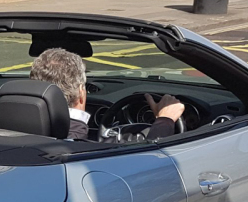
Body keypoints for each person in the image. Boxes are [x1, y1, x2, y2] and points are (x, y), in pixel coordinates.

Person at [29, 48, 184, 141]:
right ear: (81, 93)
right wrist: (165, 120)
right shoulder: (76, 144)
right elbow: (151, 160)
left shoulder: (8, 127)